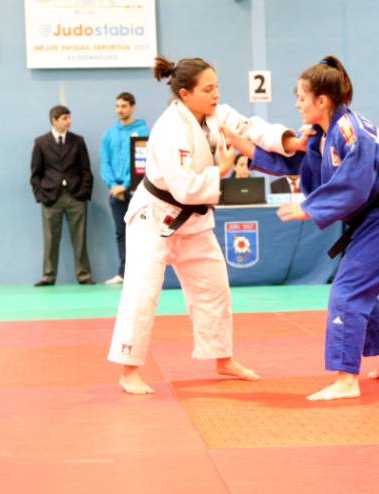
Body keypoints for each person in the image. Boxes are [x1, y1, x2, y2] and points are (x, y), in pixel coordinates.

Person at [224, 56, 379, 401]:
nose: (297, 104)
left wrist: (309, 207)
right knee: (359, 286)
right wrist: (235, 140)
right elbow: (290, 161)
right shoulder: (323, 133)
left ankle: (347, 379)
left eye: (301, 97)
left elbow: (355, 184)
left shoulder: (351, 131)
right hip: (373, 221)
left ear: (322, 100)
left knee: (347, 290)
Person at [107, 56, 293, 394]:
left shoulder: (216, 114)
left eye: (216, 87)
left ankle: (222, 358)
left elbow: (250, 128)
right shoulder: (169, 129)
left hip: (194, 219)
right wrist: (222, 170)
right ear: (185, 93)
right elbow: (184, 187)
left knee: (214, 287)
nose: (216, 94)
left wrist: (290, 141)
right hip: (154, 217)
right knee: (142, 293)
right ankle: (129, 369)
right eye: (208, 89)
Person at [30, 105, 94, 286]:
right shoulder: (41, 142)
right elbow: (35, 173)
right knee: (50, 238)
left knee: (80, 238)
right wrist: (40, 196)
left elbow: (86, 170)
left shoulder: (78, 141)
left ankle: (84, 275)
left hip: (76, 197)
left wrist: (84, 193)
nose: (69, 121)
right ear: (54, 120)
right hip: (51, 198)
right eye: (65, 118)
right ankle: (48, 275)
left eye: (69, 117)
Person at [100, 92, 150, 285]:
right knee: (121, 232)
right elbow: (105, 162)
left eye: (124, 106)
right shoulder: (109, 134)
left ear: (132, 107)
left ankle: (143, 273)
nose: (120, 110)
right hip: (116, 192)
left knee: (142, 232)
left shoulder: (142, 131)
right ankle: (123, 273)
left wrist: (126, 185)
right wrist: (114, 185)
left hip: (137, 190)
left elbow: (142, 162)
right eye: (117, 106)